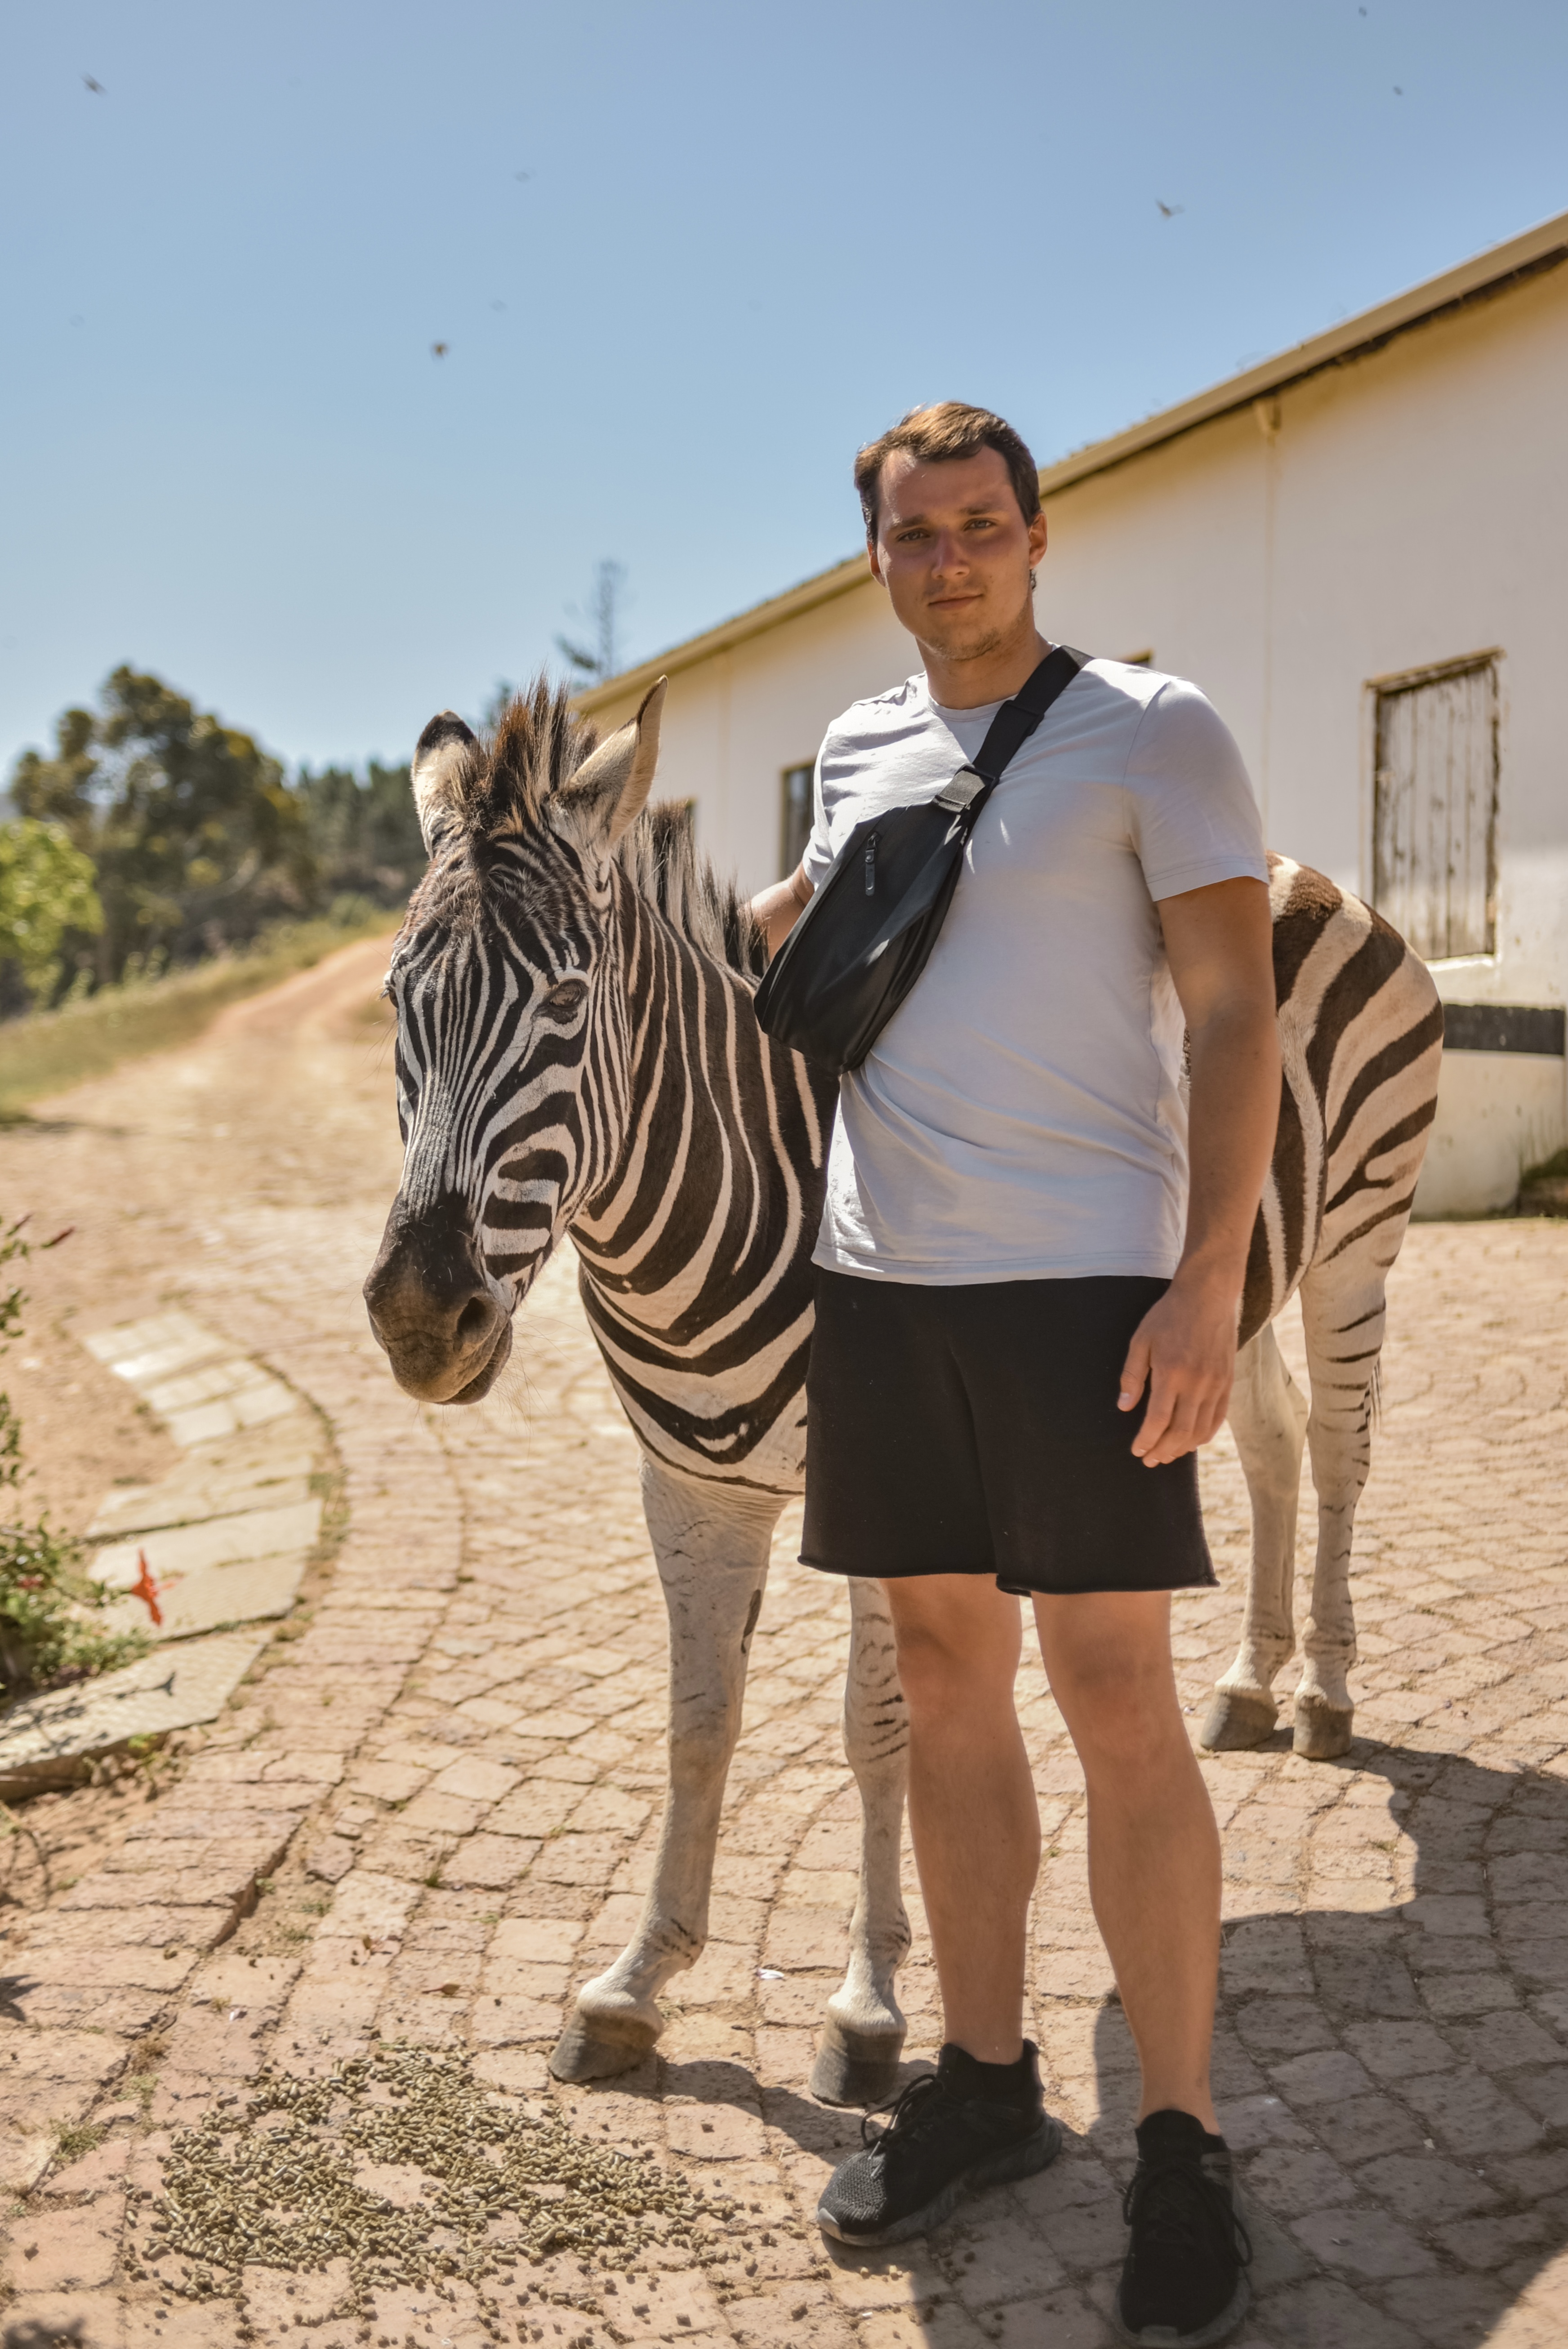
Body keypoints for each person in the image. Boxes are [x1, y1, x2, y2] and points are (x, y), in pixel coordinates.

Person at [749, 402, 1278, 2349]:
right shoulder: (859, 750)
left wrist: (1205, 1278)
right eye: (913, 535)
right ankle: (983, 2079)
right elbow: (808, 947)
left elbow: (1234, 1010)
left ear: (1036, 537)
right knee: (943, 1679)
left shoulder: (1152, 727)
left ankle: (1180, 2136)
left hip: (1083, 1289)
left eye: (980, 526)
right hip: (881, 1284)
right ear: (875, 558)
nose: (948, 559)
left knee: (1116, 1697)